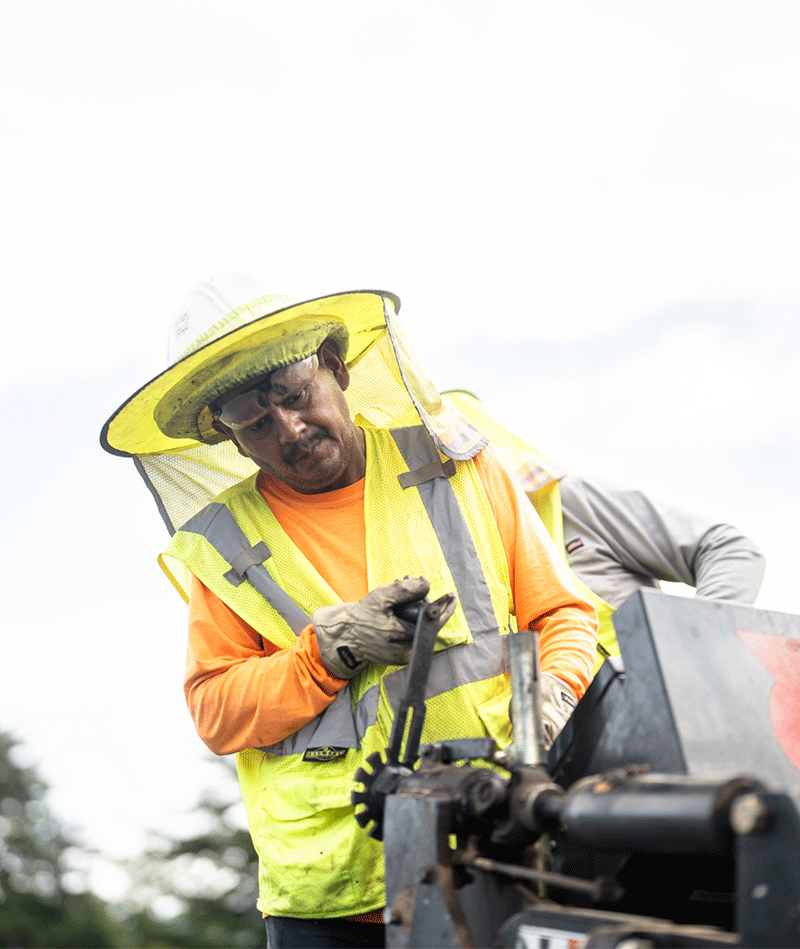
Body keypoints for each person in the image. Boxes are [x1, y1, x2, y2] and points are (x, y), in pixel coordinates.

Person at [101, 273, 598, 949]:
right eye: (254, 420)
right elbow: (215, 712)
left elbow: (562, 615)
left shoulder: (459, 468)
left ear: (334, 368)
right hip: (332, 897)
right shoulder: (226, 546)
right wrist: (322, 654)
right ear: (228, 437)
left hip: (495, 843)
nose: (290, 428)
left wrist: (553, 704)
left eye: (294, 395)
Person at [440, 389, 766, 672]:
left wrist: (693, 651)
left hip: (680, 721)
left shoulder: (572, 502)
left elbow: (730, 550)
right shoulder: (470, 571)